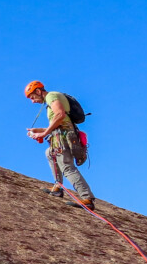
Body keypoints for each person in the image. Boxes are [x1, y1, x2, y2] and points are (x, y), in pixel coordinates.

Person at [24, 80, 95, 209]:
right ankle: (58, 187)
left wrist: (44, 133)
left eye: (33, 97)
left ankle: (87, 198)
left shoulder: (51, 96)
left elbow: (60, 115)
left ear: (39, 91)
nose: (33, 101)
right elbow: (57, 123)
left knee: (67, 167)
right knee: (49, 153)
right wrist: (38, 131)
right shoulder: (51, 99)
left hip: (64, 137)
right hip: (60, 135)